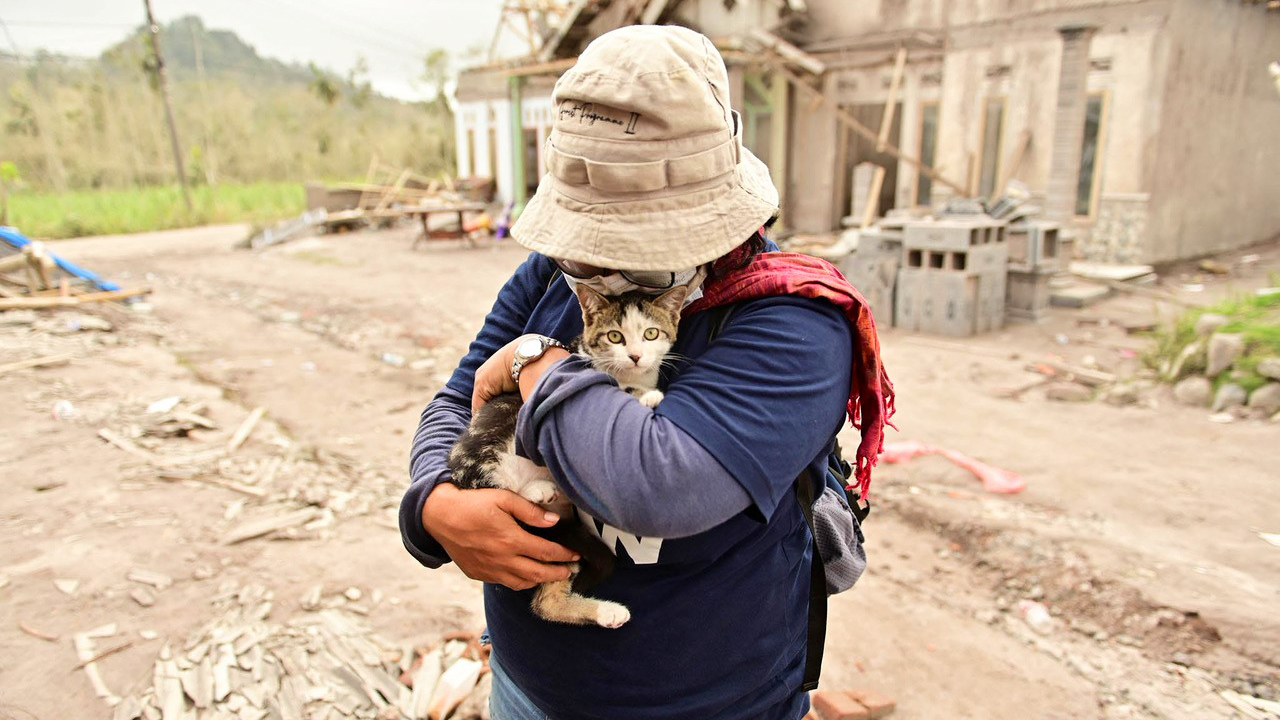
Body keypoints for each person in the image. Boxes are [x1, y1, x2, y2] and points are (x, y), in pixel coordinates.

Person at [399, 25, 893, 720]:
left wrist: (537, 361)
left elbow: (658, 485)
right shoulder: (553, 273)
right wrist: (434, 507)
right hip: (528, 688)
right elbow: (458, 400)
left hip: (712, 705)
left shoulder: (793, 321)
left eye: (631, 245)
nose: (596, 272)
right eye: (587, 251)